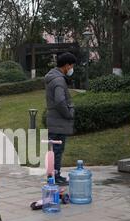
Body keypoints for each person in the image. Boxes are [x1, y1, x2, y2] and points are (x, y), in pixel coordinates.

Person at [44, 52, 77, 185]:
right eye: (72, 65)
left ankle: (53, 175)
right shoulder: (59, 80)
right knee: (57, 151)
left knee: (54, 151)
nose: (72, 68)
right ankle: (55, 177)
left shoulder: (53, 77)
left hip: (54, 120)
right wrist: (69, 114)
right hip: (58, 121)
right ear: (66, 65)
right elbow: (59, 101)